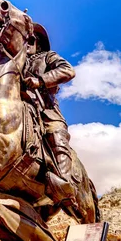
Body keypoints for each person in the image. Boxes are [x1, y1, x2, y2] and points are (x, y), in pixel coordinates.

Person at [22, 23, 77, 205]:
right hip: (20, 112)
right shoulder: (15, 63)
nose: (27, 44)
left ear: (38, 43)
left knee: (56, 136)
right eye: (24, 40)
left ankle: (64, 184)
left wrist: (40, 80)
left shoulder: (47, 57)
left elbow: (68, 70)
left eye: (30, 40)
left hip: (46, 112)